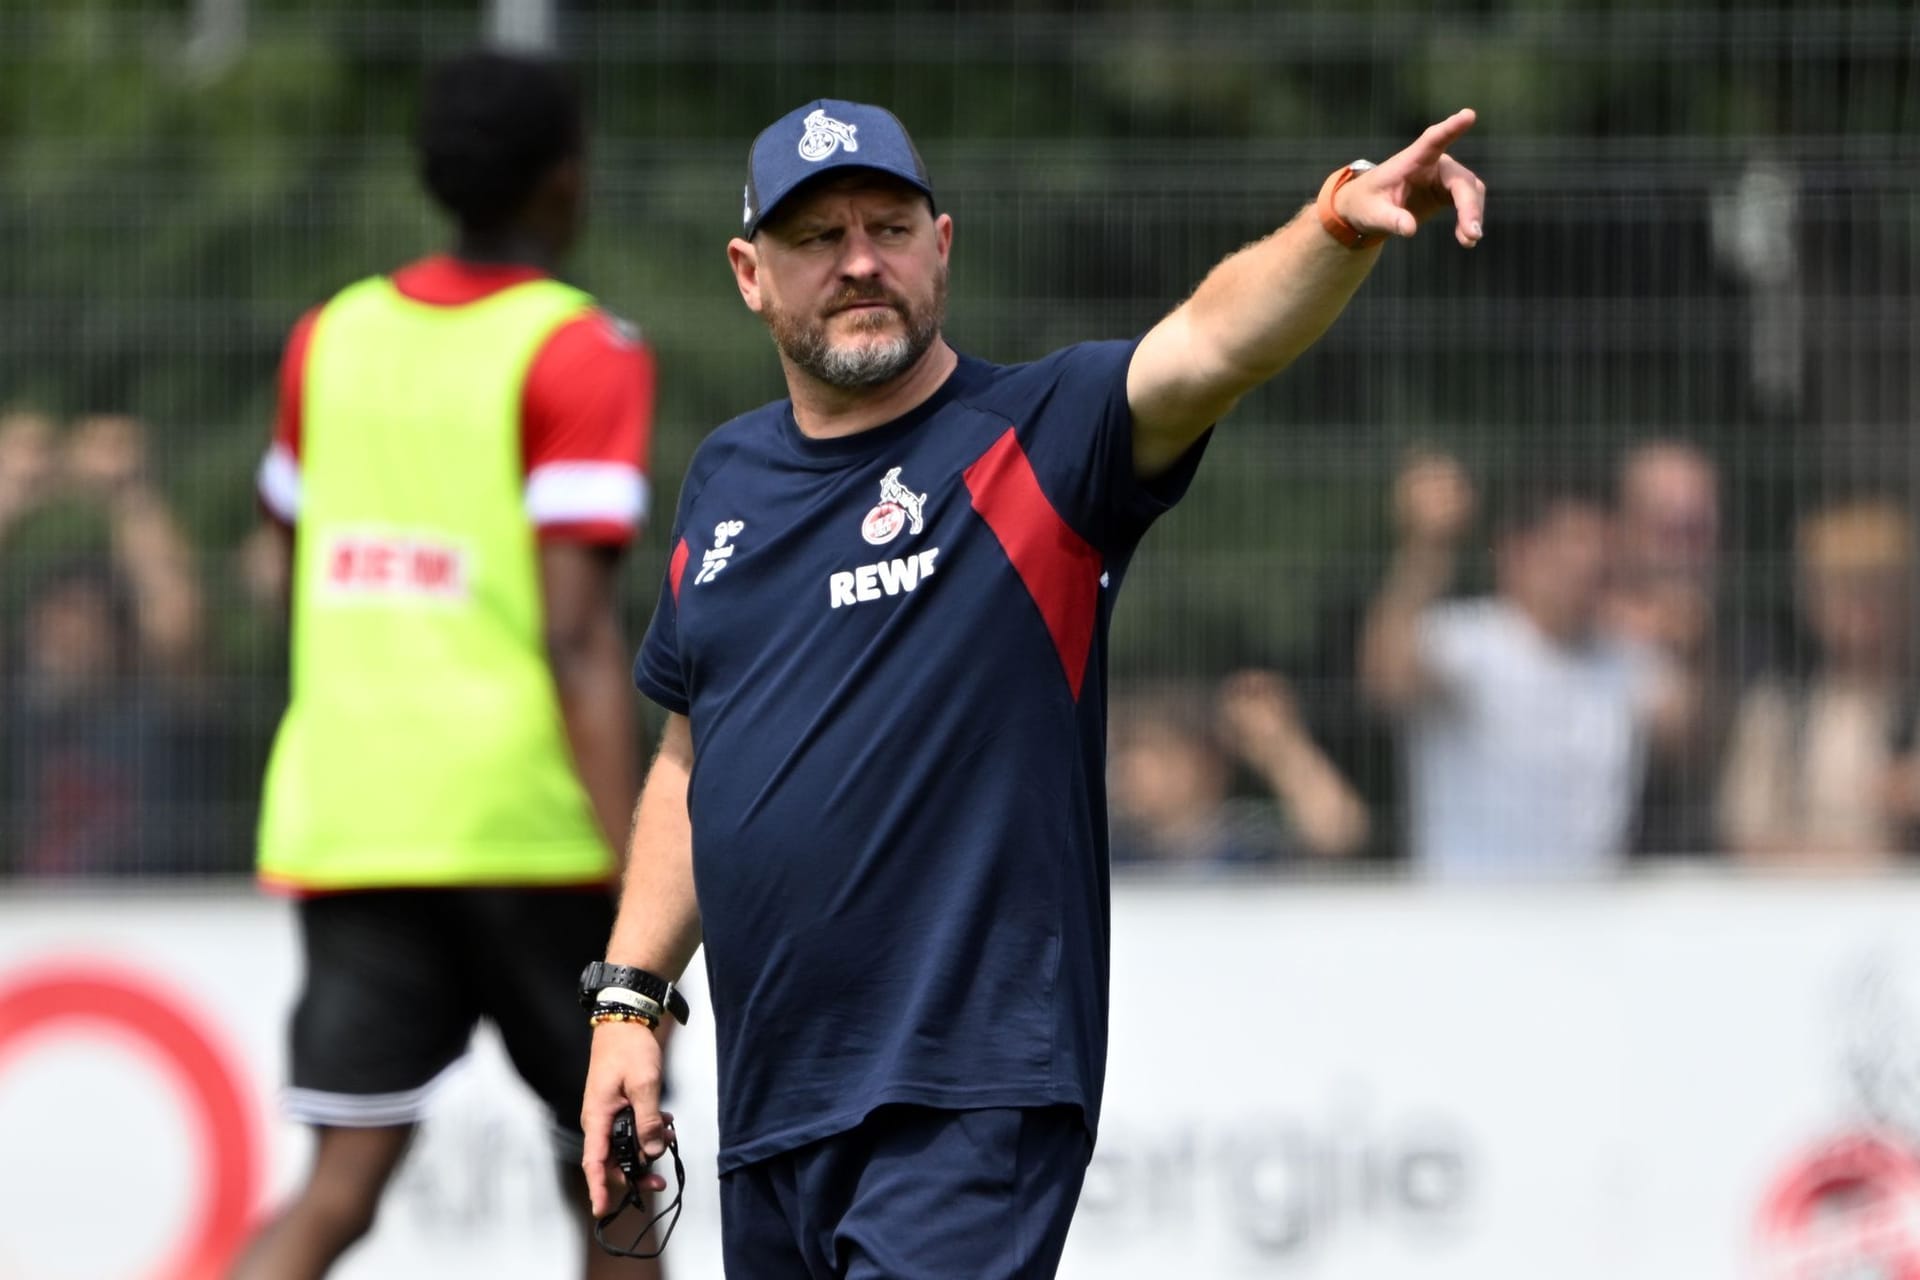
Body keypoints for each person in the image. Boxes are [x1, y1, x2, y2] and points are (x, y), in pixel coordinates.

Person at [579, 98, 1484, 1275]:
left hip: (964, 1092)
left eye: (888, 226)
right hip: (772, 1113)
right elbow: (690, 756)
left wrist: (1335, 225)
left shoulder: (1042, 434)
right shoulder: (724, 478)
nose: (860, 261)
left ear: (941, 244)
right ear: (752, 275)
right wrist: (628, 1000)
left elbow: (1214, 340)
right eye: (818, 238)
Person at [234, 51, 657, 1280]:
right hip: (528, 827)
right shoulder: (582, 349)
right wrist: (633, 866)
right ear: (565, 180)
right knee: (617, 1181)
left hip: (358, 819)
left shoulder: (331, 336)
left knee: (339, 1190)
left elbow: (279, 559)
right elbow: (577, 635)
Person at [1360, 453, 1684, 879]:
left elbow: (1687, 736)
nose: (1585, 566)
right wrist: (1427, 547)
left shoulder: (1626, 660)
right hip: (1469, 920)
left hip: (1592, 926)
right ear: (1517, 550)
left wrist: (1676, 616)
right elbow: (1387, 678)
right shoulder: (1467, 640)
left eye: (1598, 550)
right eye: (1571, 544)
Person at [1718, 498, 1920, 866]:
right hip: (1799, 915)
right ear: (1812, 599)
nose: (1862, 607)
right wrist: (1871, 860)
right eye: (1844, 588)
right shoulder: (1778, 710)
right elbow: (1745, 841)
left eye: (1877, 587)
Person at [1603, 439, 1746, 857]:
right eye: (1670, 530)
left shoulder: (1748, 638)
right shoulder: (1574, 632)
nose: (1687, 548)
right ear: (1623, 527)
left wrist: (1697, 649)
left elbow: (1695, 745)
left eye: (1700, 528)